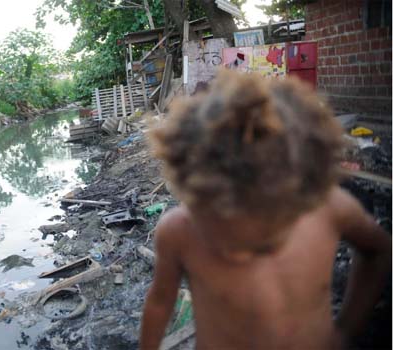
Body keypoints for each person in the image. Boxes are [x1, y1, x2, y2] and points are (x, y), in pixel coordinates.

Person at [140, 70, 391, 350]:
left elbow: (378, 251)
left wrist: (346, 331)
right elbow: (160, 303)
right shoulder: (177, 231)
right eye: (223, 231)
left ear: (302, 198)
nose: (239, 254)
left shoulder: (328, 207)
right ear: (194, 197)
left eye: (267, 242)